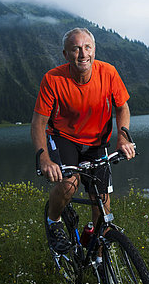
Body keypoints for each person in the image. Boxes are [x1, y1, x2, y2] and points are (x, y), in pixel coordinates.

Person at [31, 27, 135, 255]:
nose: (83, 54)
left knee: (102, 200)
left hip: (98, 141)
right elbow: (38, 123)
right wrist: (44, 159)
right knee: (69, 184)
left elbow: (122, 107)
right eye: (75, 49)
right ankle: (54, 221)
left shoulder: (108, 73)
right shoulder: (52, 79)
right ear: (65, 54)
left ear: (94, 50)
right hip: (64, 138)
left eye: (87, 47)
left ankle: (100, 260)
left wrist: (123, 138)